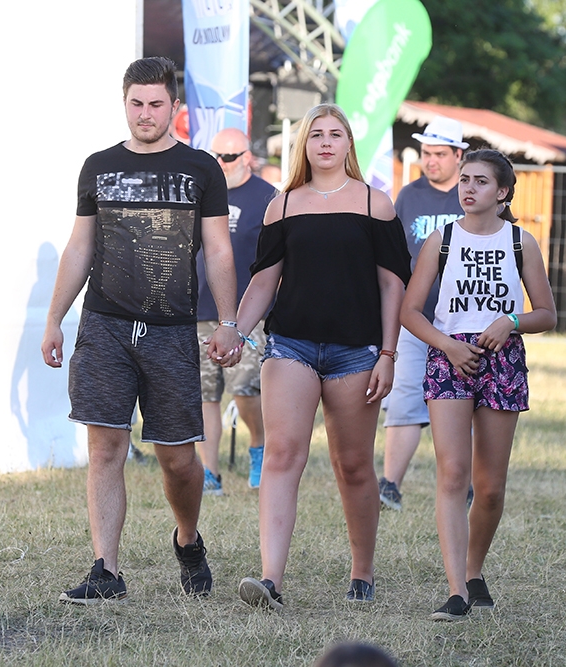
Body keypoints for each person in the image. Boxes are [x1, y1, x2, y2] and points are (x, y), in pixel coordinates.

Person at [41, 56, 243, 604]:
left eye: (156, 104)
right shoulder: (98, 166)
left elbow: (219, 250)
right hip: (104, 326)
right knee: (105, 447)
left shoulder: (201, 168)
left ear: (174, 106)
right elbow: (79, 246)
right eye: (136, 104)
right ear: (124, 104)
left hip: (172, 331)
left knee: (178, 459)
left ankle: (187, 539)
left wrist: (229, 322)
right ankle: (105, 570)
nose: (145, 113)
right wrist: (55, 318)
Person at [233, 103, 411, 610]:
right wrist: (235, 331)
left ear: (349, 143)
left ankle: (362, 571)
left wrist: (388, 352)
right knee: (282, 454)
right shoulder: (283, 205)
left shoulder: (376, 203)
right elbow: (263, 282)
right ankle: (270, 580)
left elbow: (392, 285)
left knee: (352, 465)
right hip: (290, 345)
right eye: (316, 135)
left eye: (335, 134)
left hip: (357, 351)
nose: (326, 142)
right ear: (304, 145)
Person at [401, 149, 557, 621]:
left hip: (502, 358)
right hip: (449, 355)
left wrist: (511, 321)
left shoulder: (521, 242)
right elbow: (409, 311)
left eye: (481, 181)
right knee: (453, 474)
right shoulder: (442, 240)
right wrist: (446, 345)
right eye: (464, 179)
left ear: (503, 191)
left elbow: (547, 314)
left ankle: (473, 571)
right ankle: (456, 592)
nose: (468, 188)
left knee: (489, 488)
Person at [378, 116, 468, 511]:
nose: (430, 161)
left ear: (458, 155)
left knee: (466, 405)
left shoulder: (472, 194)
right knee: (404, 402)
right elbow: (396, 255)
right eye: (426, 153)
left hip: (465, 321)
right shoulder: (409, 195)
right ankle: (389, 486)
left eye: (439, 154)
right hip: (415, 319)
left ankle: (466, 485)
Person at [197, 127, 277, 495]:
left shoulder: (268, 198)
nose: (220, 163)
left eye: (227, 157)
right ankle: (209, 472)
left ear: (246, 157)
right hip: (201, 306)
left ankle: (259, 445)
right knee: (204, 394)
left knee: (244, 388)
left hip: (249, 312)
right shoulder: (201, 191)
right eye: (215, 156)